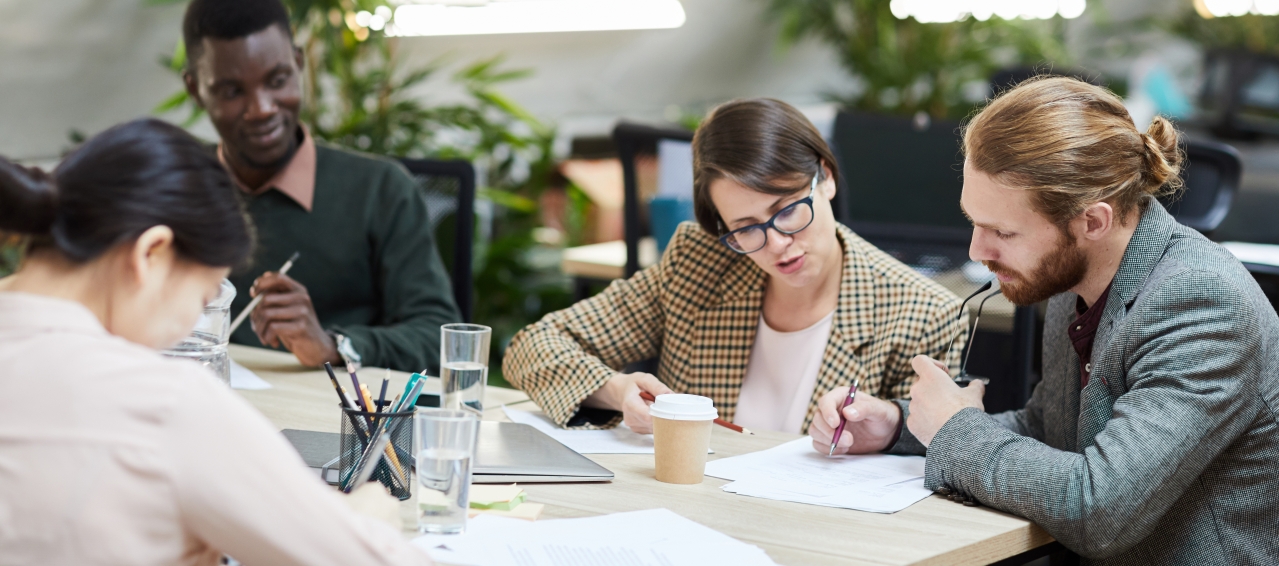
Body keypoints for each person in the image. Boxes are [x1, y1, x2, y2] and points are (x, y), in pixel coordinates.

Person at [814, 77, 1279, 563]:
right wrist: (899, 426)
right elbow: (1048, 429)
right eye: (975, 222)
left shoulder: (1201, 303)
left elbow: (1100, 510)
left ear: (1093, 222)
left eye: (1003, 231)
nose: (978, 251)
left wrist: (956, 428)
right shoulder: (1076, 275)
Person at [0, 118, 431, 565]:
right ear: (151, 254)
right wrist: (368, 520)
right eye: (204, 298)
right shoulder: (164, 405)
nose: (190, 329)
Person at [503, 98, 965, 435]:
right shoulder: (702, 264)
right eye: (746, 227)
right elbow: (533, 346)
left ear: (824, 177)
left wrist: (885, 434)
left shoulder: (924, 313)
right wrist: (616, 389)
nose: (779, 244)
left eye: (787, 209)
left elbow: (939, 447)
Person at [181, 0, 459, 373]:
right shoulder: (175, 186)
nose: (262, 108)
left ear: (298, 63)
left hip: (333, 420)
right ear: (196, 89)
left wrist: (333, 345)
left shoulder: (380, 190)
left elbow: (438, 337)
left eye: (277, 80)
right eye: (232, 91)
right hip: (197, 406)